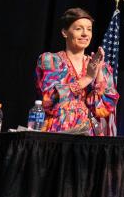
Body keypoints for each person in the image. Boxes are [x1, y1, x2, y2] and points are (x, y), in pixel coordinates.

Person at [35, 7, 118, 135]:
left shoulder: (103, 67)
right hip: (58, 132)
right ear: (65, 32)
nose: (85, 34)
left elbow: (103, 109)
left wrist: (99, 73)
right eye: (78, 29)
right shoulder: (51, 61)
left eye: (89, 29)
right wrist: (88, 78)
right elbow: (49, 99)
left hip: (89, 137)